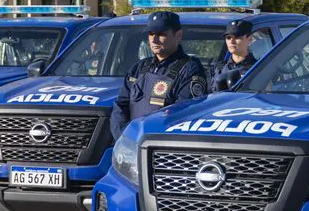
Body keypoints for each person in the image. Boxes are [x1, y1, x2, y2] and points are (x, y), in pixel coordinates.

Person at [110, 11, 209, 139]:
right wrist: (125, 137)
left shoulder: (190, 70)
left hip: (162, 146)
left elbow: (185, 112)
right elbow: (120, 107)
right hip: (131, 143)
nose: (154, 39)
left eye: (162, 34)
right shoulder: (139, 68)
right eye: (151, 34)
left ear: (178, 35)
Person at [210, 19, 257, 89]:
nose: (232, 41)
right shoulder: (218, 68)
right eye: (228, 37)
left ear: (249, 39)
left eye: (237, 37)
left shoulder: (258, 68)